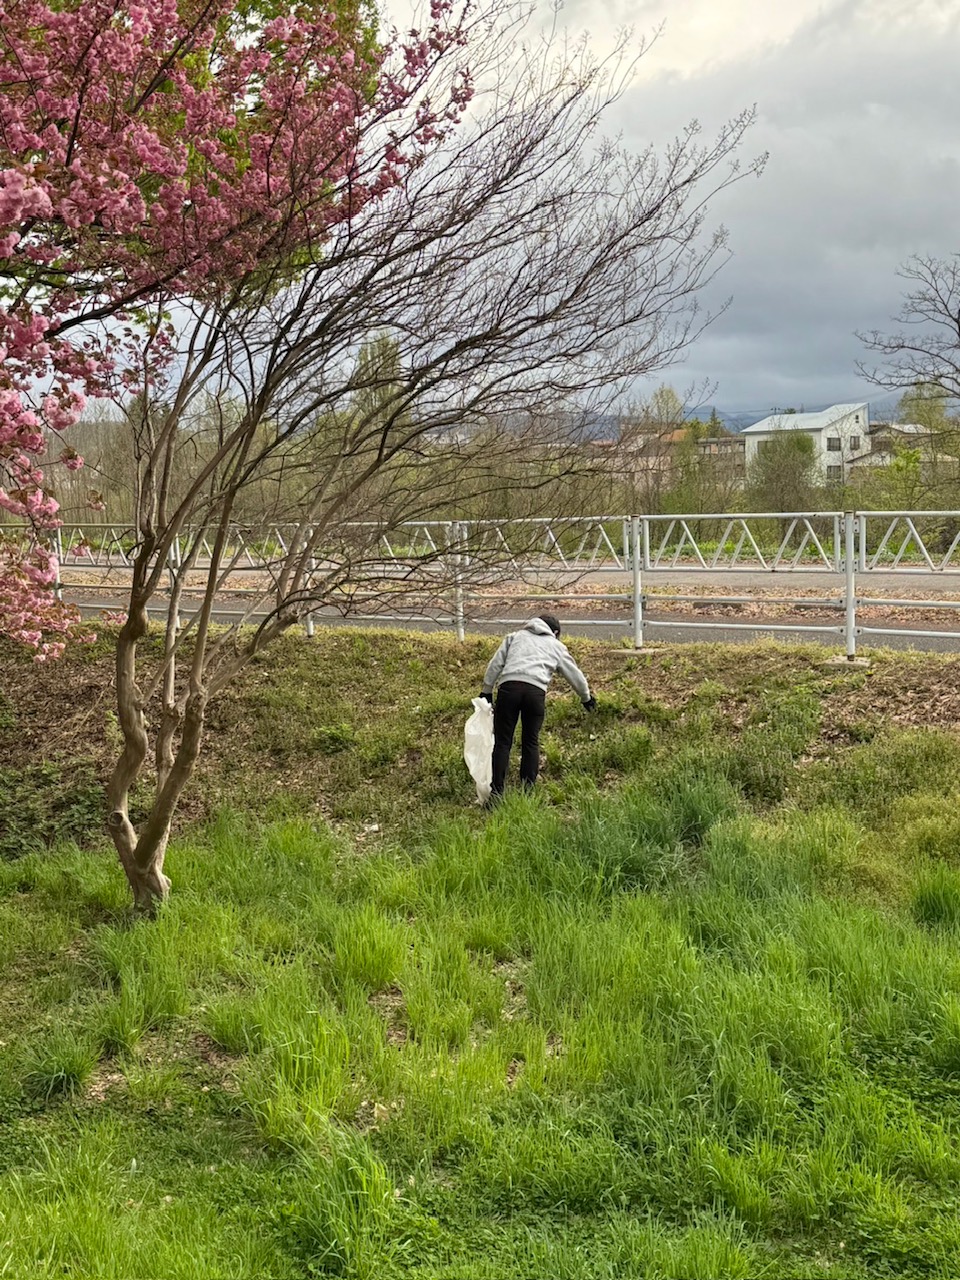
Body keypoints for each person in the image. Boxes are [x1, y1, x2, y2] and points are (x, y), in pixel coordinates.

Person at [480, 614, 595, 800]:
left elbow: (496, 664)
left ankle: (497, 794)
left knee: (503, 742)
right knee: (530, 742)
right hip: (535, 693)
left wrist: (487, 690)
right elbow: (575, 675)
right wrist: (586, 698)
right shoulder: (556, 645)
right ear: (555, 632)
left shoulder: (514, 637)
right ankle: (528, 793)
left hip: (509, 689)